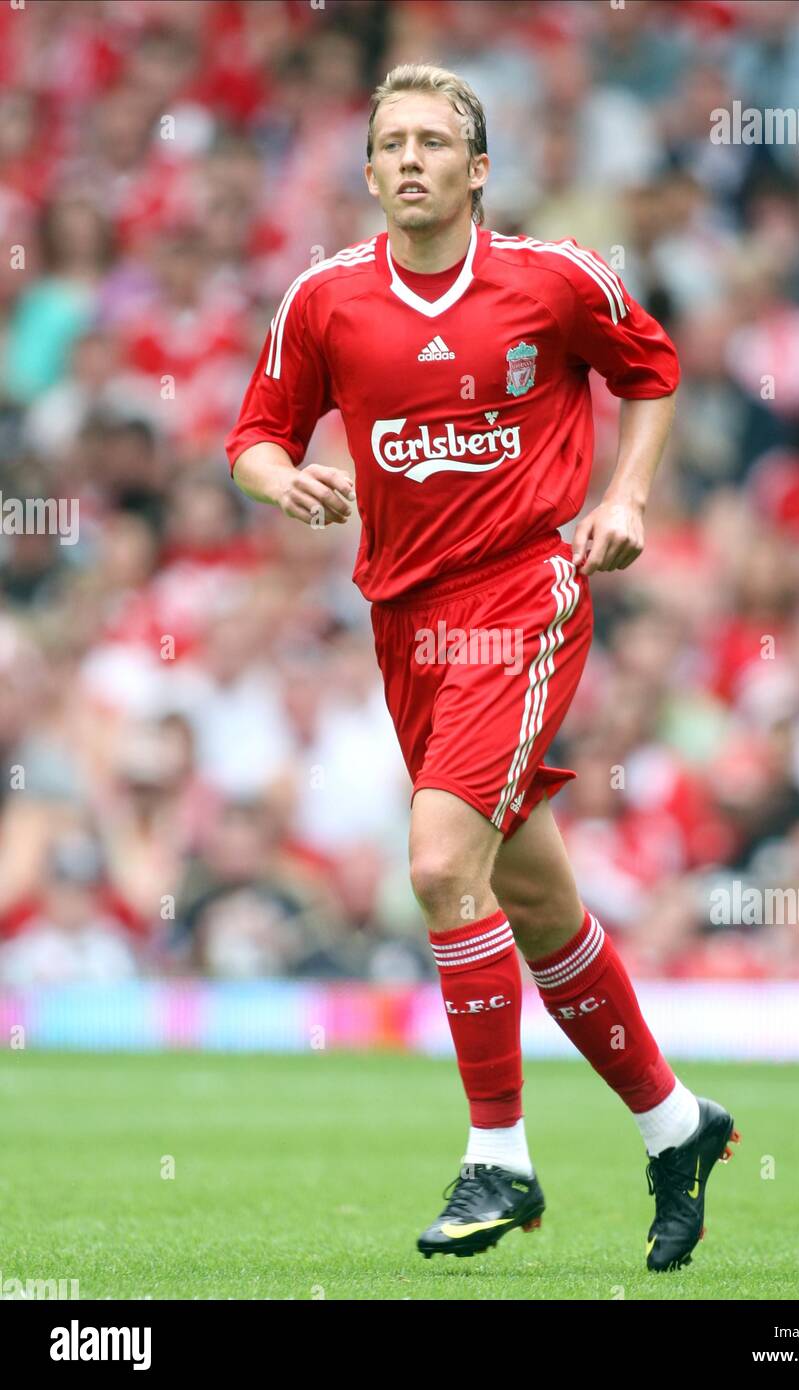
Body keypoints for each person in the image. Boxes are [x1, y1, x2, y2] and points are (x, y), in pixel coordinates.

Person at [225, 63, 739, 1273]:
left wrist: (627, 494)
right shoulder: (325, 302)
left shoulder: (551, 280)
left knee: (439, 860)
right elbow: (252, 433)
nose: (408, 158)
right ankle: (678, 1125)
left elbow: (652, 370)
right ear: (366, 172)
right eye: (388, 142)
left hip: (521, 595)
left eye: (431, 141)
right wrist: (280, 479)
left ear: (477, 169)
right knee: (538, 902)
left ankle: (498, 1157)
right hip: (404, 624)